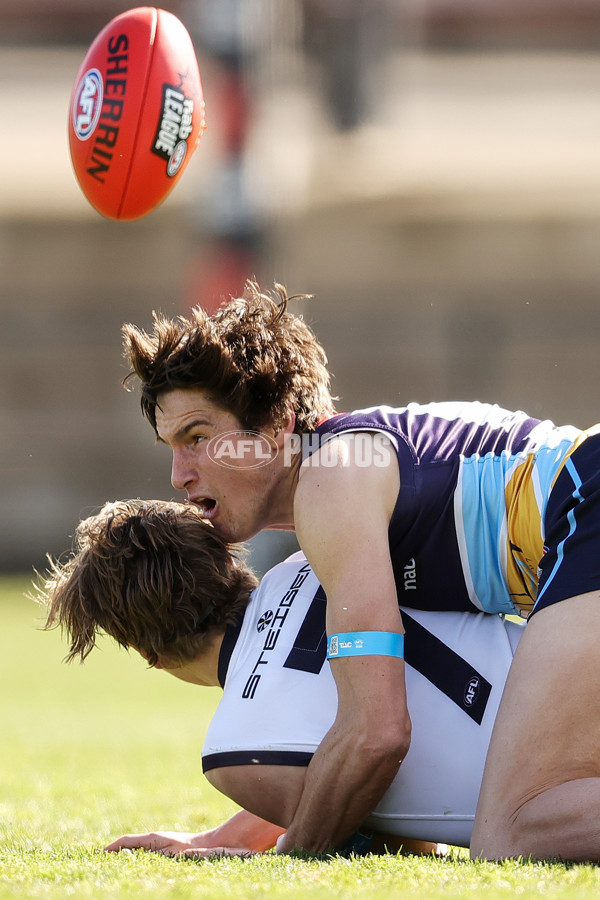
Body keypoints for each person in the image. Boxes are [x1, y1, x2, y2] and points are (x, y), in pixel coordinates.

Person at [121, 281, 600, 861]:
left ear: (275, 424)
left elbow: (376, 732)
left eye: (197, 437)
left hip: (588, 507)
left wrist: (289, 856)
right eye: (171, 445)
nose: (179, 475)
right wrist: (226, 837)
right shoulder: (336, 475)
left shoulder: (328, 487)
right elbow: (347, 736)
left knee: (513, 832)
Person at [39, 499, 524, 858]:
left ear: (150, 655)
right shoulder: (318, 557)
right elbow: (318, 751)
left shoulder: (234, 751)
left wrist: (266, 854)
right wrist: (223, 837)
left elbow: (409, 844)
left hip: (557, 786)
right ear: (229, 561)